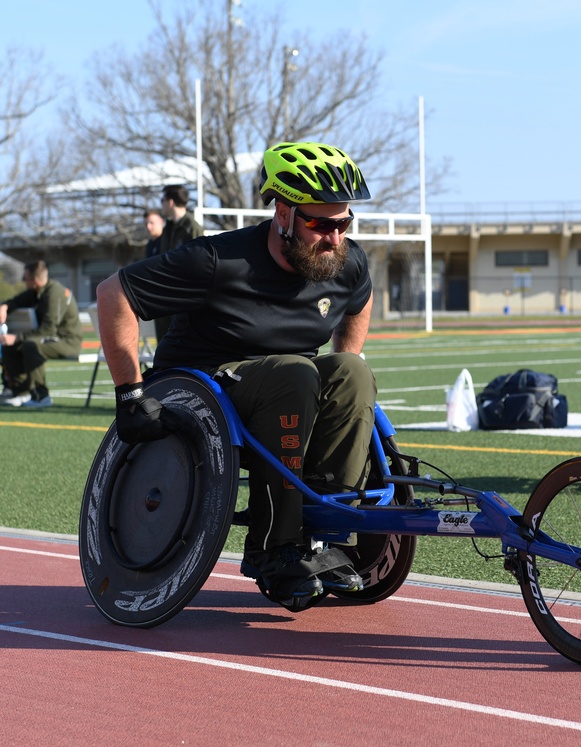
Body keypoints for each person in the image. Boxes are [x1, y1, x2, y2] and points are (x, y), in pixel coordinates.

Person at [95, 142, 375, 605]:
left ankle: (328, 528)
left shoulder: (345, 261)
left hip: (290, 384)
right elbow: (113, 295)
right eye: (320, 224)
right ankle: (274, 547)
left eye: (344, 223)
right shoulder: (216, 261)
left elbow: (359, 302)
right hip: (206, 382)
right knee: (296, 374)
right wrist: (129, 393)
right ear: (282, 214)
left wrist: (346, 356)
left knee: (352, 373)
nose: (335, 237)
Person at [0, 260, 83, 408]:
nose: (23, 281)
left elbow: (48, 330)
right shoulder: (36, 292)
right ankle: (21, 393)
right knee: (9, 346)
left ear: (35, 280)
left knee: (31, 345)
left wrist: (17, 337)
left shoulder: (54, 293)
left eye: (25, 278)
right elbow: (16, 301)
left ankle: (41, 396)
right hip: (51, 339)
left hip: (67, 341)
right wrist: (5, 306)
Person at [155, 185, 205, 341]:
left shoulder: (192, 228)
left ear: (170, 202)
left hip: (184, 300)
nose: (161, 204)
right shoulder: (168, 229)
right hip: (166, 298)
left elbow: (200, 265)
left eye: (162, 200)